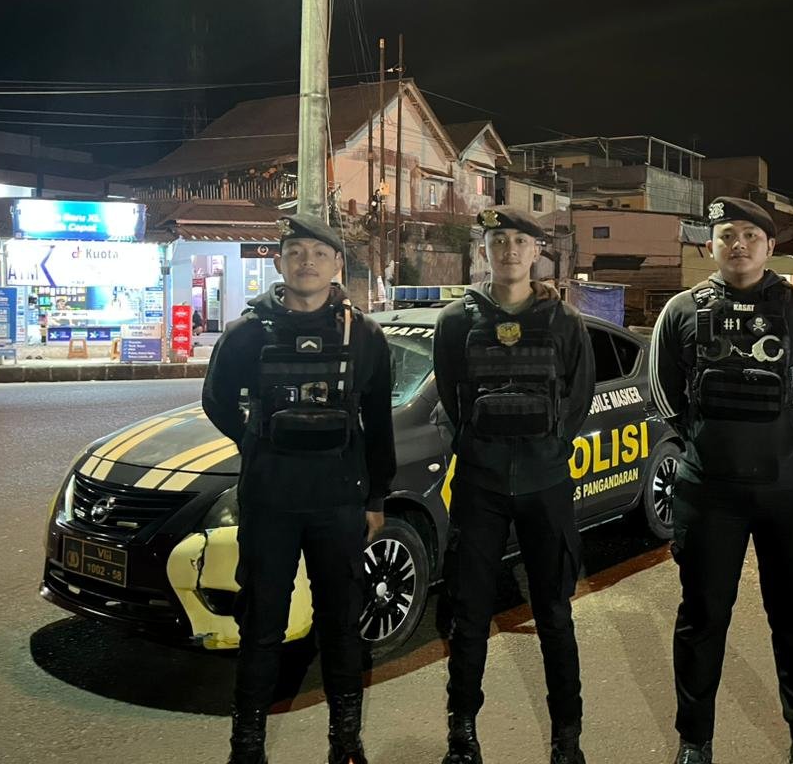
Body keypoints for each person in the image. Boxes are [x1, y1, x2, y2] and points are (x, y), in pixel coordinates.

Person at [650, 197, 793, 764]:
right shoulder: (681, 309)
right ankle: (695, 742)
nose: (738, 244)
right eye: (726, 235)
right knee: (702, 619)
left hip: (792, 491)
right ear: (711, 244)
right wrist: (700, 439)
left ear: (769, 245)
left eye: (750, 235)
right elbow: (662, 387)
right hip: (710, 494)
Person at [202, 214, 395, 764]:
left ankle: (345, 742)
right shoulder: (247, 332)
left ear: (336, 265)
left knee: (341, 624)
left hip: (338, 500)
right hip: (271, 501)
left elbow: (378, 422)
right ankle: (247, 746)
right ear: (279, 262)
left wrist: (376, 498)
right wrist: (256, 441)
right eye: (295, 252)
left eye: (318, 252)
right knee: (261, 624)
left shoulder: (365, 335)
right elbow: (216, 400)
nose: (306, 261)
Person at [432, 205, 596, 764]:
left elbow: (578, 397)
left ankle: (567, 738)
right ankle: (461, 734)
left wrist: (546, 448)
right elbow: (452, 397)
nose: (508, 250)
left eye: (519, 241)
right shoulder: (456, 320)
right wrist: (484, 447)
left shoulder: (564, 320)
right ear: (484, 249)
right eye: (497, 240)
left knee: (554, 613)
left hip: (545, 485)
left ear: (536, 251)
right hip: (480, 486)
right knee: (469, 614)